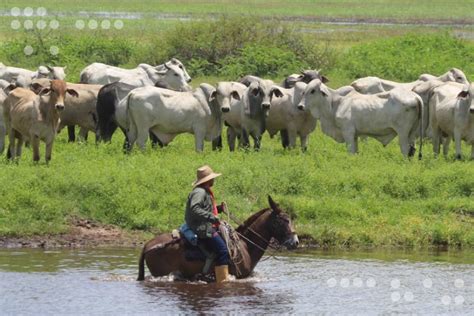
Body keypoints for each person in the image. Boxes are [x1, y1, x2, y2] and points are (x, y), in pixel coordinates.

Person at [185, 165, 230, 283]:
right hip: (202, 228)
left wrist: (219, 209)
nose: (214, 180)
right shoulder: (199, 192)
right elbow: (195, 209)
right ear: (208, 180)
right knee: (223, 250)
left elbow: (204, 208)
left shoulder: (204, 191)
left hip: (205, 224)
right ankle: (222, 281)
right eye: (212, 178)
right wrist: (212, 217)